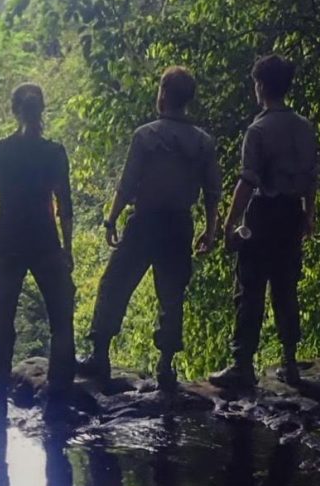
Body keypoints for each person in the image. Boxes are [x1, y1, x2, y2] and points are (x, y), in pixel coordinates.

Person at [81, 66, 222, 391]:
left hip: (145, 221)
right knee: (171, 295)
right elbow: (212, 191)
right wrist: (210, 230)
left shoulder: (146, 135)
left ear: (162, 95)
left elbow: (128, 183)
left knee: (115, 283)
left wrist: (112, 218)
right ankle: (165, 366)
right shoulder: (203, 142)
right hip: (179, 225)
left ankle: (99, 356)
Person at [210, 55, 318, 388]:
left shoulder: (258, 129)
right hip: (291, 213)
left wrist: (228, 225)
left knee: (250, 289)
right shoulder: (304, 127)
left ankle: (243, 364)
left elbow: (247, 182)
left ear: (260, 86)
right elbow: (312, 177)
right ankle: (290, 362)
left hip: (263, 214)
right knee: (286, 288)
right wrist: (309, 216)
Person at [0, 83, 76, 420]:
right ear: (42, 110)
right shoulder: (53, 153)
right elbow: (64, 203)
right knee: (61, 316)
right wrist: (67, 248)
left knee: (2, 317)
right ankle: (60, 386)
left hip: (8, 237)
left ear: (13, 110)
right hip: (44, 238)